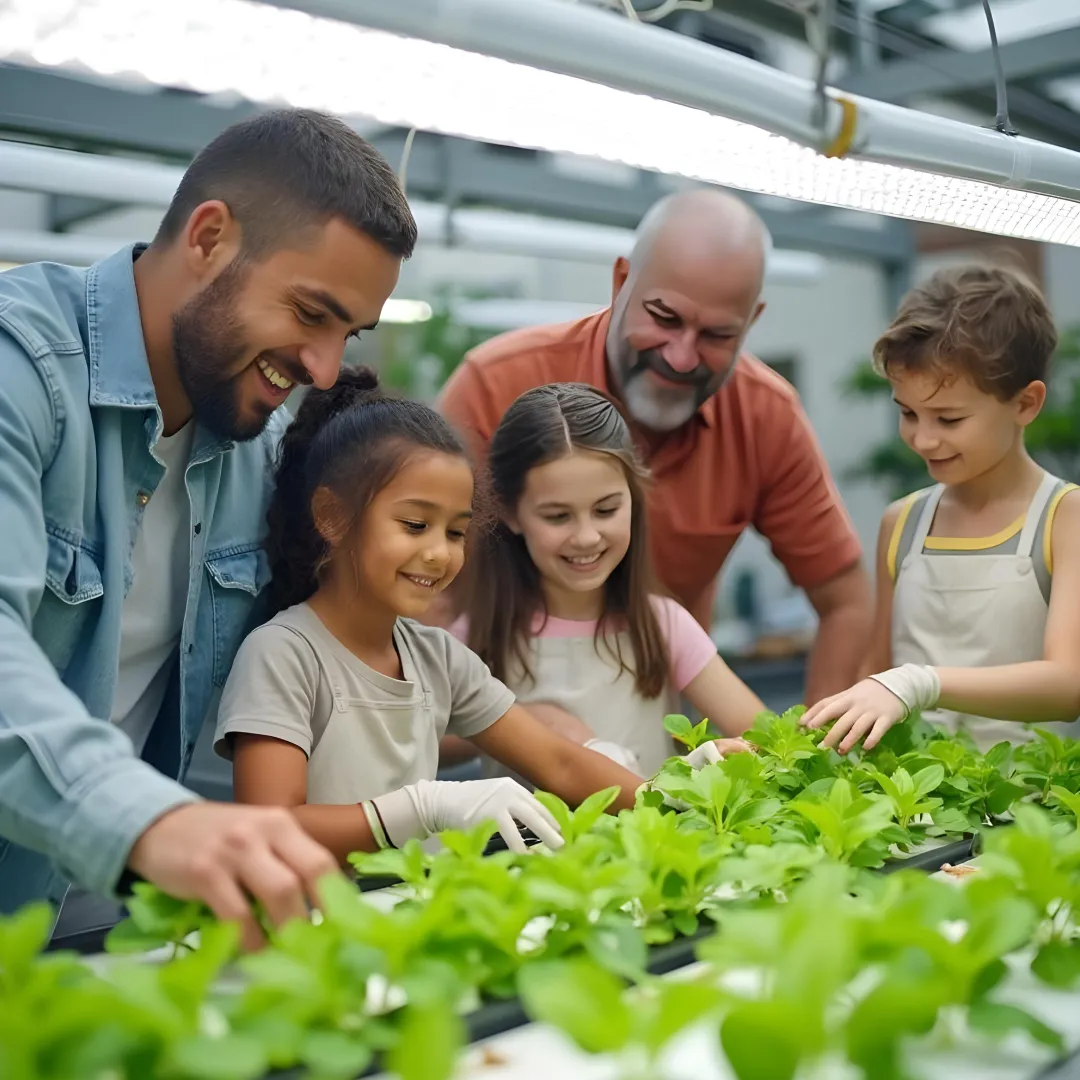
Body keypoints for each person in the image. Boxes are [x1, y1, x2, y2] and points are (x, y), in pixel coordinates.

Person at [0, 107, 415, 946]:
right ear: (209, 238)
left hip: (102, 932)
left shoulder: (246, 459)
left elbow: (318, 652)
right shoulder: (22, 369)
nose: (325, 368)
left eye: (350, 333)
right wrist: (155, 824)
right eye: (310, 313)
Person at [436, 188, 872, 738]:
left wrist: (820, 756)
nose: (681, 355)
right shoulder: (492, 385)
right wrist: (515, 727)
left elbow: (845, 601)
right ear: (621, 283)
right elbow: (420, 603)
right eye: (664, 317)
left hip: (661, 745)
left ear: (752, 321)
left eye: (717, 335)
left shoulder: (765, 415)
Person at [212, 369, 649, 860]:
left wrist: (669, 797)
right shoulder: (283, 654)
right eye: (415, 524)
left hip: (420, 924)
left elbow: (560, 763)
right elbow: (271, 827)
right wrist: (420, 807)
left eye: (456, 532)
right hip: (320, 931)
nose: (440, 553)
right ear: (332, 516)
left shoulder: (436, 656)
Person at [801, 264, 1080, 754]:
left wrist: (920, 682)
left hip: (1031, 810)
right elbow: (875, 673)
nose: (923, 439)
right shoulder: (902, 523)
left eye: (949, 419)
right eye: (907, 413)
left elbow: (1067, 686)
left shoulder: (1063, 518)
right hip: (919, 809)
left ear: (1026, 403)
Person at [453, 382, 762, 780]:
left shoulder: (660, 623)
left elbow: (767, 736)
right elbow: (424, 734)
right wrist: (517, 722)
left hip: (651, 841)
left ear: (632, 499)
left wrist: (722, 755)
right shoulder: (474, 636)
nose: (586, 537)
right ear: (511, 514)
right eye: (557, 516)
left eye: (606, 509)